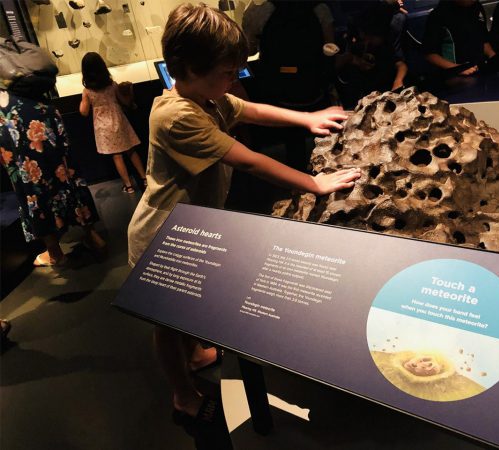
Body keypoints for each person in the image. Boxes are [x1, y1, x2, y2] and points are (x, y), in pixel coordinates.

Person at [127, 3, 361, 425]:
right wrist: (313, 183)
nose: (234, 80)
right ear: (189, 67)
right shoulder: (177, 115)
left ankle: (196, 353)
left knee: (189, 307)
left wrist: (305, 118)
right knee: (166, 321)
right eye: (227, 72)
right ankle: (182, 393)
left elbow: (249, 110)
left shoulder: (205, 97)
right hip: (162, 236)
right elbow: (248, 160)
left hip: (194, 228)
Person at [1, 71, 106, 267]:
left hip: (9, 120)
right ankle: (92, 237)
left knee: (32, 187)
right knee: (68, 174)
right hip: (42, 109)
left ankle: (55, 253)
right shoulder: (24, 73)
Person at [79, 52, 146, 195]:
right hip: (119, 120)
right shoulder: (112, 85)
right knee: (131, 150)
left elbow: (83, 112)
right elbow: (123, 101)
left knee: (117, 156)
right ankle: (144, 178)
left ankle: (128, 186)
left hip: (104, 127)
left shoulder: (87, 91)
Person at [335, 1, 409, 108]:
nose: (367, 40)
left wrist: (398, 82)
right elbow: (346, 57)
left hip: (386, 80)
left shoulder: (390, 32)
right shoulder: (356, 26)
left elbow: (401, 64)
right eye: (364, 35)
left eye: (371, 37)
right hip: (362, 86)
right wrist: (356, 60)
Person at [422, 0, 496, 76]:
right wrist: (458, 68)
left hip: (480, 68)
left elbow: (483, 40)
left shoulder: (477, 7)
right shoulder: (439, 14)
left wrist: (494, 58)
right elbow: (429, 54)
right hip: (454, 74)